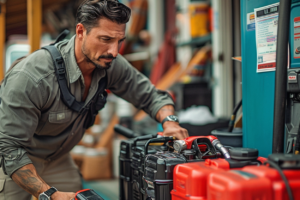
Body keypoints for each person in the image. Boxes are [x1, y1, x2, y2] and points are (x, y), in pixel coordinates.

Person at [0, 0, 189, 199]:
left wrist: (170, 122)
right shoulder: (32, 77)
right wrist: (48, 194)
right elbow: (9, 148)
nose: (114, 52)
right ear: (81, 31)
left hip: (58, 158)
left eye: (119, 41)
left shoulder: (108, 63)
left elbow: (151, 96)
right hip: (18, 158)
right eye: (105, 39)